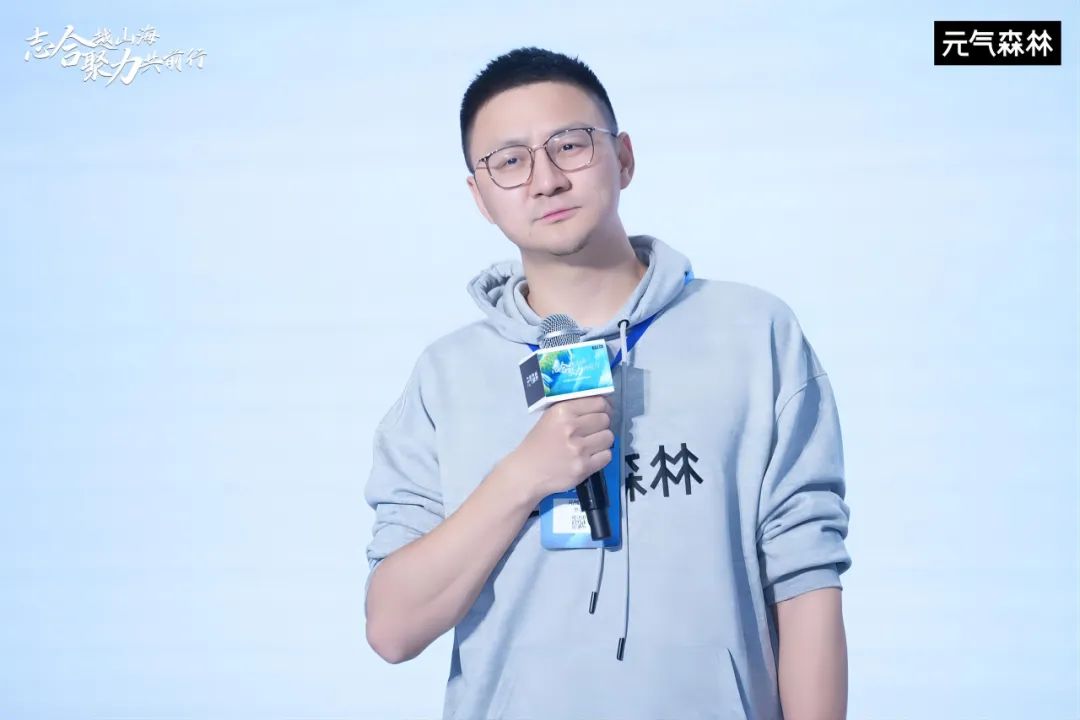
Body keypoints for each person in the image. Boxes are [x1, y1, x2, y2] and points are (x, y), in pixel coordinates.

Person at [363, 46, 852, 720]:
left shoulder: (753, 332)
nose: (545, 180)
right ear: (479, 197)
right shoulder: (445, 376)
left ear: (623, 158)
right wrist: (522, 477)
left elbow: (806, 580)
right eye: (510, 161)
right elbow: (393, 628)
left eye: (569, 145)